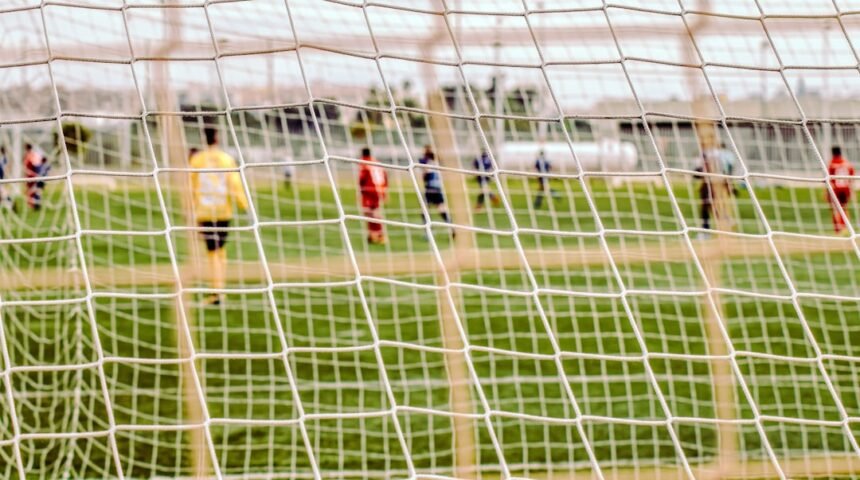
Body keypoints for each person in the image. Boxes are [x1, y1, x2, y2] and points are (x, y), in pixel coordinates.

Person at [190, 128, 248, 305]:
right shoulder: (226, 159)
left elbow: (190, 187)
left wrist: (190, 211)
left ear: (203, 138)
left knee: (213, 253)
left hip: (205, 212)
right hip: (223, 212)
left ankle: (217, 292)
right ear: (217, 138)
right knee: (220, 252)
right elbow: (235, 185)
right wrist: (244, 206)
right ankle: (219, 290)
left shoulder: (197, 160)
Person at [358, 147, 388, 244]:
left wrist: (360, 192)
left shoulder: (364, 162)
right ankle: (374, 235)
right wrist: (385, 191)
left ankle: (379, 235)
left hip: (370, 190)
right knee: (373, 213)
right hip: (380, 189)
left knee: (370, 213)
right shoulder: (376, 162)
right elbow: (385, 175)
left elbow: (362, 178)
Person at [418, 146, 452, 229]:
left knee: (424, 210)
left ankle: (428, 231)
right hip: (438, 188)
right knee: (441, 208)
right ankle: (450, 225)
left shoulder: (426, 162)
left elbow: (424, 173)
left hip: (430, 188)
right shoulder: (436, 162)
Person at [827, 146, 854, 235]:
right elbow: (851, 176)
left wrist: (826, 192)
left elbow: (828, 179)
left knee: (835, 209)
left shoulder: (832, 164)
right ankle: (845, 227)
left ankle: (837, 229)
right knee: (844, 208)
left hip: (836, 189)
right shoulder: (847, 163)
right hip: (846, 189)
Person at [23, 143, 49, 211]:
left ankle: (35, 205)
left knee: (33, 191)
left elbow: (35, 166)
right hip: (33, 177)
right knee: (35, 191)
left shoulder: (31, 156)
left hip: (33, 177)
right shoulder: (32, 155)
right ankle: (35, 205)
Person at [0, 147, 15, 213]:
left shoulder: (4, 159)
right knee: (3, 193)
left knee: (3, 193)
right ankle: (10, 204)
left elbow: (7, 167)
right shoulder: (3, 159)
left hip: (2, 179)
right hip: (2, 178)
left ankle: (10, 204)